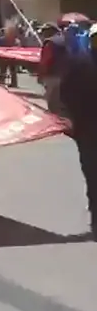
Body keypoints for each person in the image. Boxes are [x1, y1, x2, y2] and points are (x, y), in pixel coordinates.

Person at [59, 23, 97, 237]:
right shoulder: (79, 64)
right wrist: (69, 118)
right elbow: (66, 93)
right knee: (93, 175)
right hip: (87, 129)